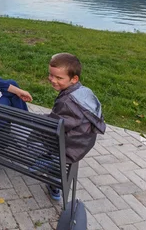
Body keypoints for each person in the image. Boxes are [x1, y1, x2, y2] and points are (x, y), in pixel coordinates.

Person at [33, 52, 106, 200]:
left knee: (37, 129)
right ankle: (50, 162)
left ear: (74, 79)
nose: (53, 80)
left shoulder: (67, 102)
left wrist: (38, 121)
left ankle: (54, 181)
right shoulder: (83, 92)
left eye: (59, 78)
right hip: (83, 141)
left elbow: (57, 126)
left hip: (70, 147)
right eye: (51, 75)